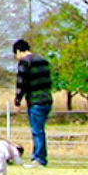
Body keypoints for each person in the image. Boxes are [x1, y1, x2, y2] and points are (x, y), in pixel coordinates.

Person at [13, 39, 53, 167]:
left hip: (35, 100)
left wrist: (17, 101)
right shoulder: (43, 60)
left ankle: (39, 159)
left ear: (19, 51)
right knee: (40, 130)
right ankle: (39, 157)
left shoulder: (25, 63)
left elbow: (21, 83)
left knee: (37, 130)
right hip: (47, 99)